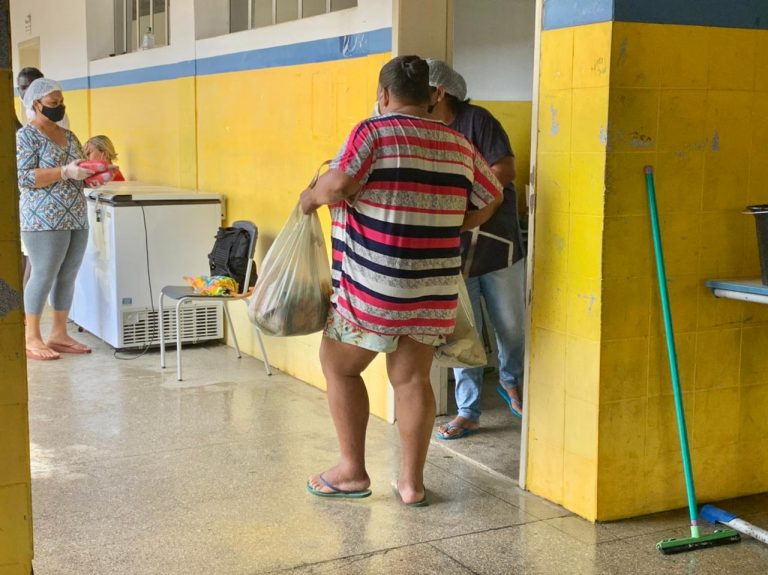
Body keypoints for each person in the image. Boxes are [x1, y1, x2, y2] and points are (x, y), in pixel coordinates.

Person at [300, 55, 503, 506]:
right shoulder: (458, 142)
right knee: (412, 380)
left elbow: (337, 186)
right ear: (432, 96)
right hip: (434, 288)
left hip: (375, 286)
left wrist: (309, 199)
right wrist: (459, 222)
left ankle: (351, 472)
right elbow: (492, 195)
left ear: (384, 94)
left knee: (338, 365)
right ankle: (411, 485)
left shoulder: (372, 132)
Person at [427, 60, 527, 440]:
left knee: (511, 326)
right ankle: (468, 411)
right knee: (464, 333)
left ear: (439, 92)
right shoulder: (425, 128)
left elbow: (505, 170)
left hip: (497, 246)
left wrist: (466, 199)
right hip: (453, 250)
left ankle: (510, 379)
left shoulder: (477, 121)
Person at [17, 78, 97, 360]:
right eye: (53, 103)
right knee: (43, 273)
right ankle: (31, 336)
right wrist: (64, 172)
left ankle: (59, 333)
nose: (59, 107)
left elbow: (77, 169)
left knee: (68, 274)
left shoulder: (70, 136)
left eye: (61, 102)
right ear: (36, 104)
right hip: (43, 219)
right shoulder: (26, 136)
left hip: (75, 214)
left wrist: (92, 175)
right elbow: (24, 177)